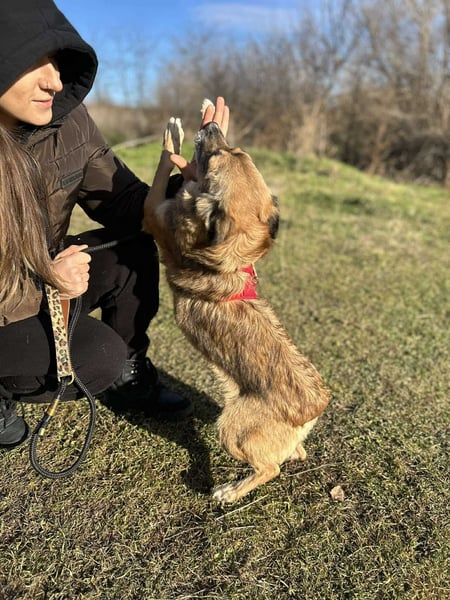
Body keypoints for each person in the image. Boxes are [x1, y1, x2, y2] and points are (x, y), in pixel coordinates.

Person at [0, 0, 230, 449]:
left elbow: (127, 205)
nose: (54, 80)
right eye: (32, 61)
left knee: (133, 248)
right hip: (15, 296)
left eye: (57, 61)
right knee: (96, 356)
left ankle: (130, 378)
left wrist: (192, 185)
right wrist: (47, 279)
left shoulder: (68, 122)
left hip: (45, 277)